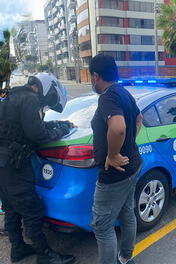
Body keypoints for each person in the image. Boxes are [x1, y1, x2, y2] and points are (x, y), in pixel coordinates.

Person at [0, 72, 75, 264]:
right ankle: (45, 255)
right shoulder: (30, 99)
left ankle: (18, 249)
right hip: (13, 164)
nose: (49, 101)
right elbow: (38, 134)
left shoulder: (15, 97)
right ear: (46, 87)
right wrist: (62, 130)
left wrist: (60, 123)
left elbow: (30, 125)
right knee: (32, 208)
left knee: (11, 208)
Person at [89, 54, 142, 264]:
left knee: (102, 226)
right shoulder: (124, 92)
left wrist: (112, 154)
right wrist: (128, 143)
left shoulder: (107, 96)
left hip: (115, 174)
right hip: (133, 166)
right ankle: (126, 258)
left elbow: (118, 128)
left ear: (95, 76)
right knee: (127, 211)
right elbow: (138, 118)